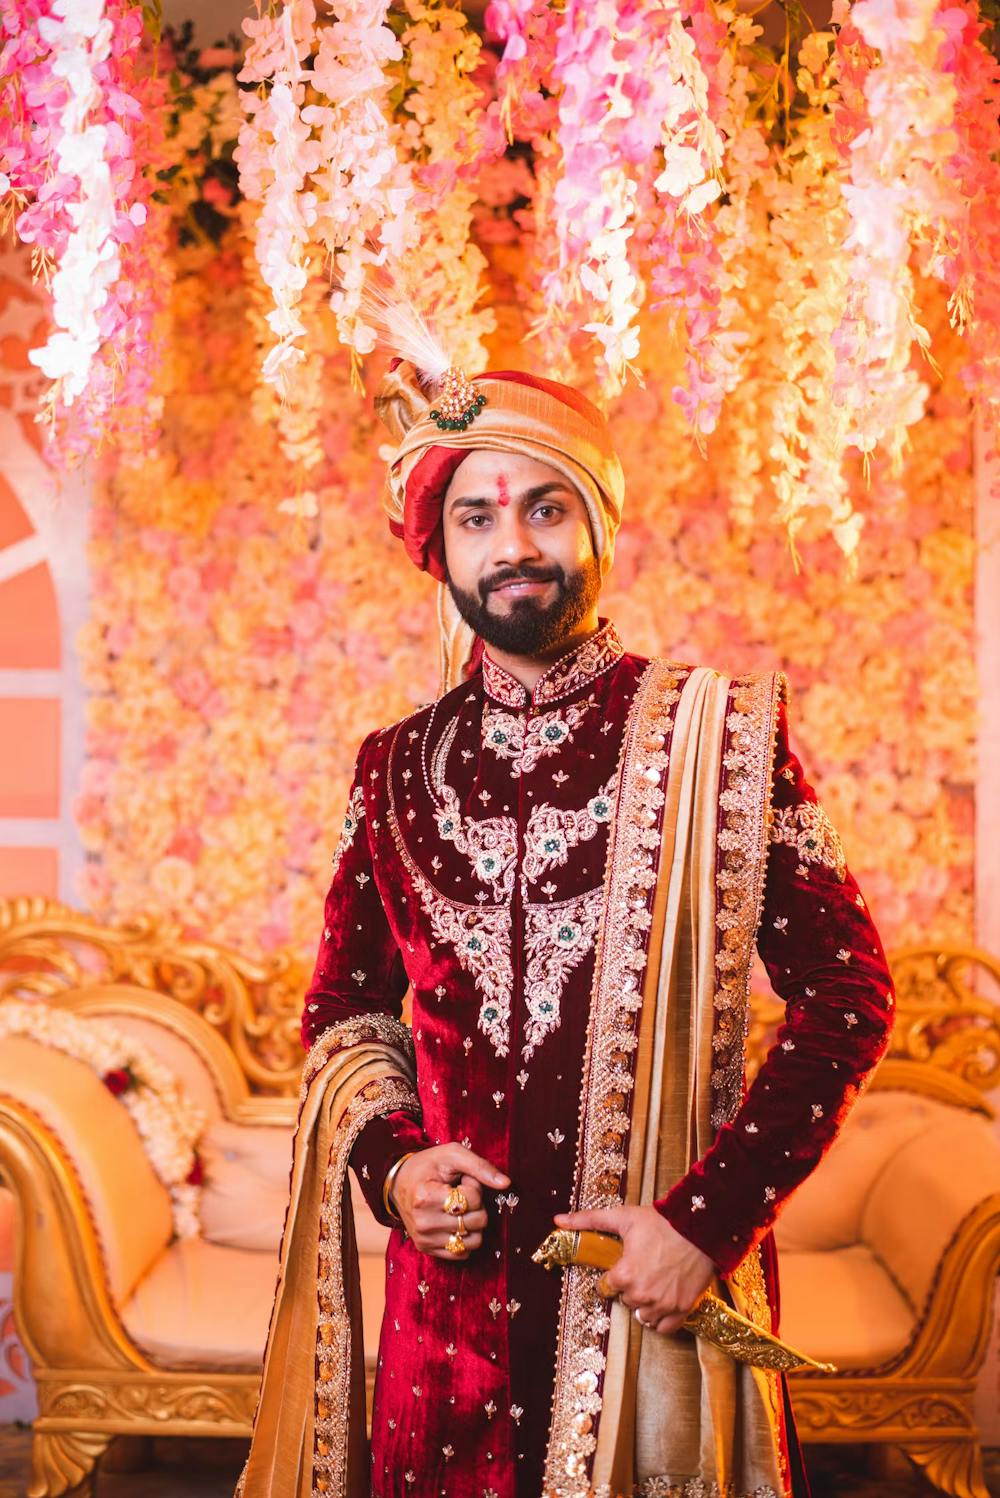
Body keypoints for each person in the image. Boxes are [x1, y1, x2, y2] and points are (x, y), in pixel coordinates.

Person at [237, 352, 894, 1498]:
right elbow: (343, 1011)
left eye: (545, 507)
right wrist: (394, 1170)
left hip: (652, 1297)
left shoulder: (719, 739)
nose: (515, 545)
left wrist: (705, 1223)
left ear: (595, 524)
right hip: (446, 1327)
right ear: (437, 546)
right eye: (477, 514)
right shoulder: (393, 769)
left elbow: (850, 997)